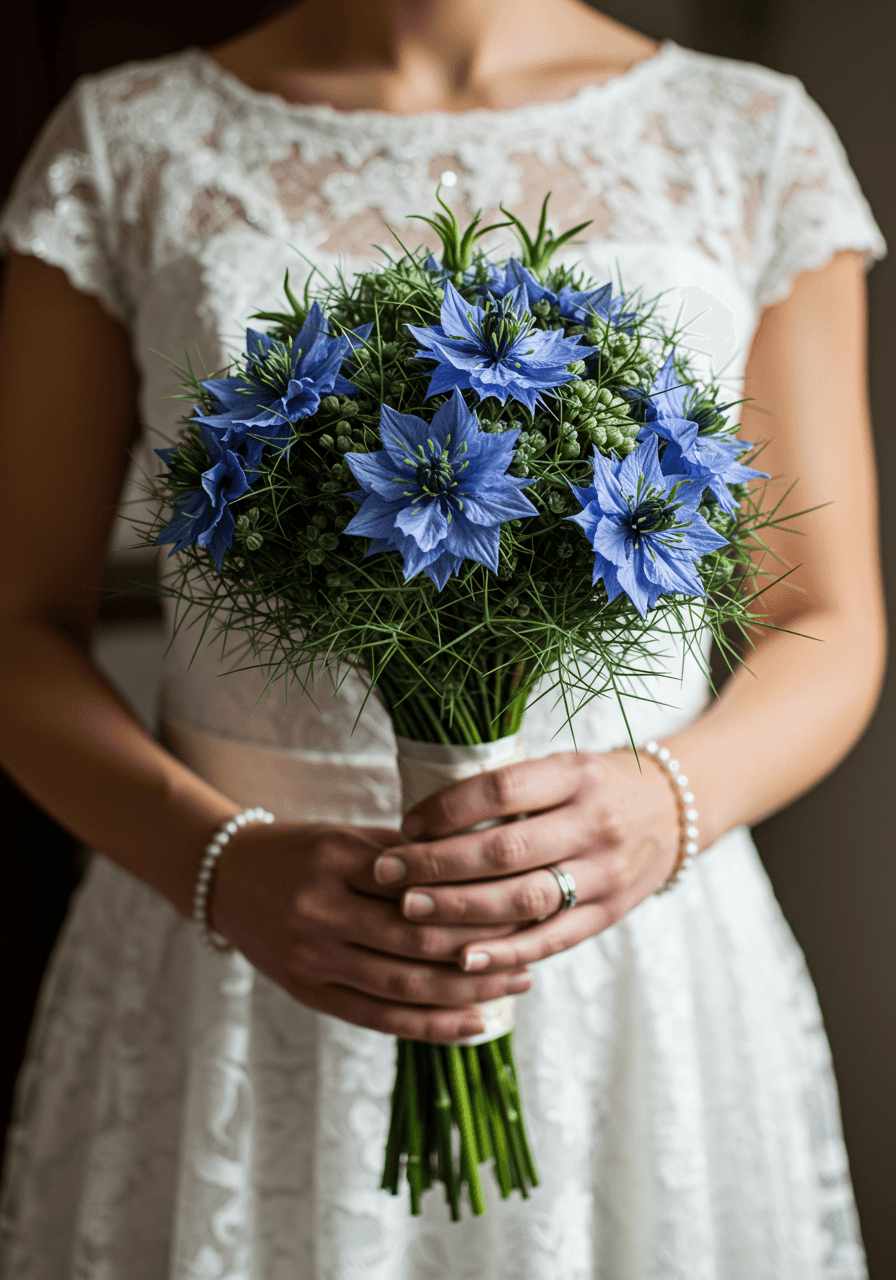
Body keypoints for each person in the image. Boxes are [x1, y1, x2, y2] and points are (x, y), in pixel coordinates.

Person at [0, 1, 886, 1275]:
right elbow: (20, 632)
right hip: (236, 943)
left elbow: (827, 618)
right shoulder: (126, 140)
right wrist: (223, 869)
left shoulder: (745, 134)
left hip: (627, 945)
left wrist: (664, 806)